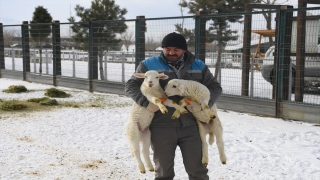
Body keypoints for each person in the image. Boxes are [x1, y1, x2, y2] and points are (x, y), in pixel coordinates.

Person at [125, 32, 222, 180]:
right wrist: (146, 103)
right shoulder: (148, 65)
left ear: (184, 50)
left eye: (176, 49)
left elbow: (215, 87)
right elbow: (131, 85)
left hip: (192, 125)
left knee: (198, 171)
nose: (171, 52)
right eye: (167, 49)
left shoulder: (198, 65)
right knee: (164, 172)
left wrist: (203, 104)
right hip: (161, 125)